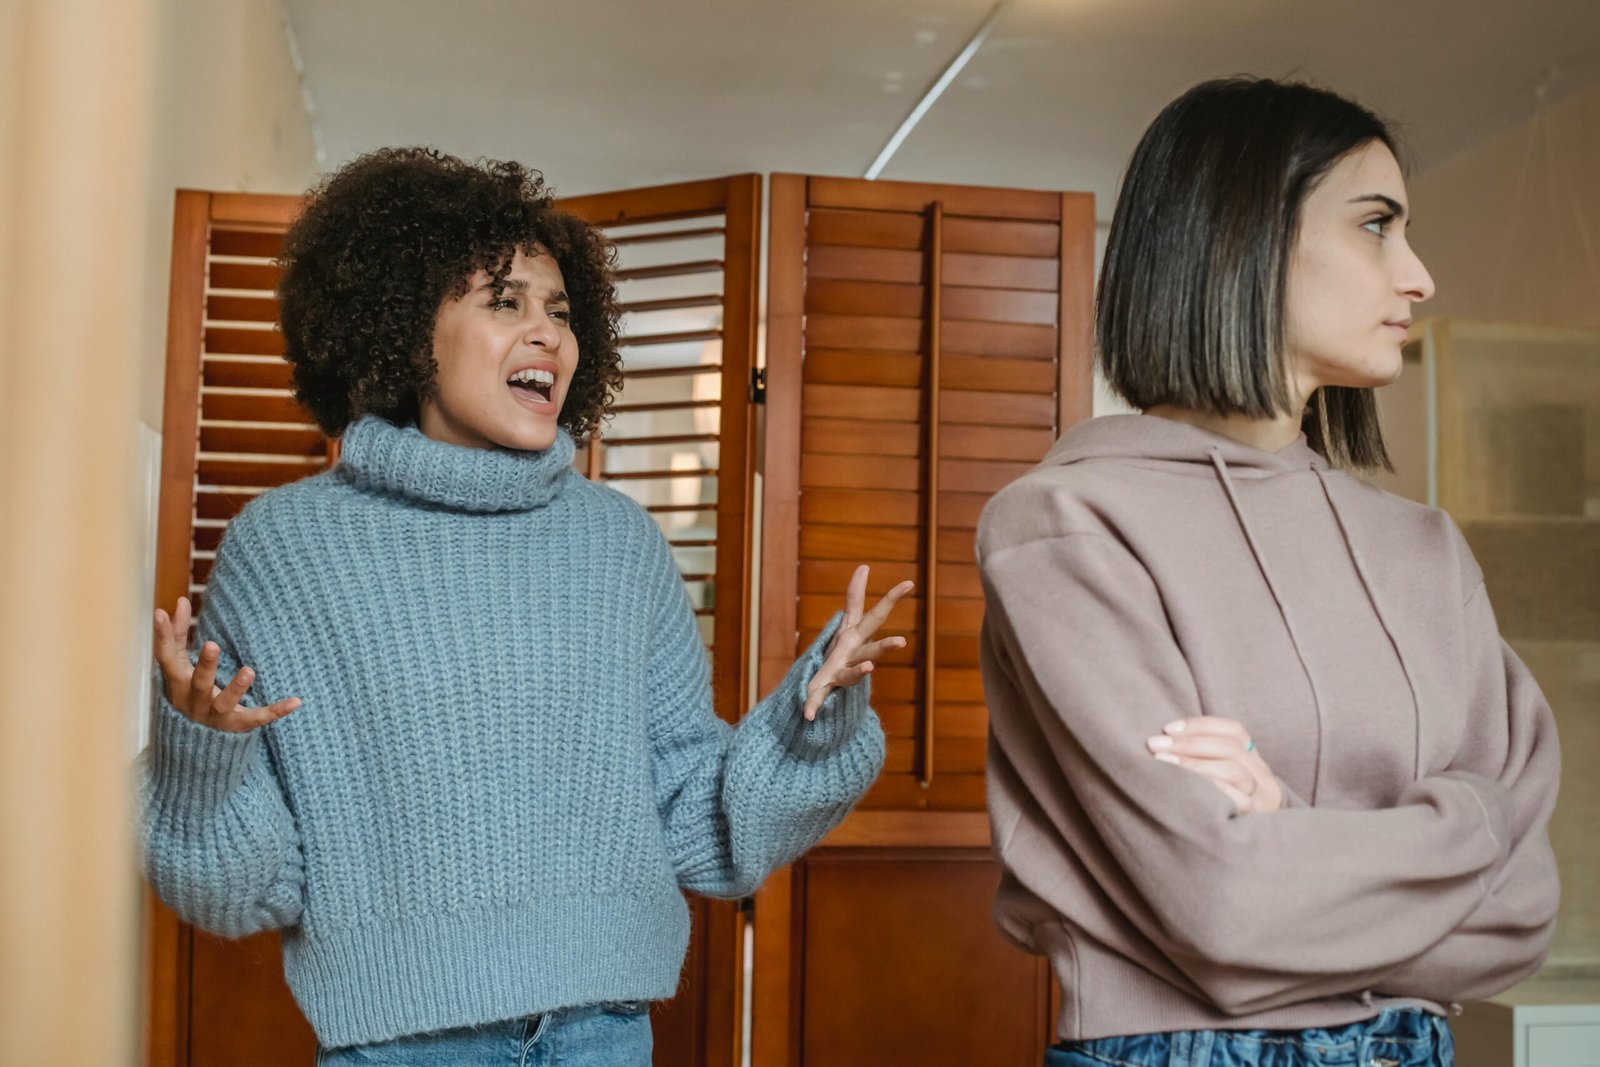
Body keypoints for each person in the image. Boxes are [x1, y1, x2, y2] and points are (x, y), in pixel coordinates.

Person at [138, 147, 911, 1065]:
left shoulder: (620, 546)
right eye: (504, 301)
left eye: (561, 310)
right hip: (401, 1045)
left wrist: (805, 728)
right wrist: (201, 751)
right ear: (402, 327)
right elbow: (241, 886)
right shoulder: (287, 550)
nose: (548, 333)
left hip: (606, 1035)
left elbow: (692, 822)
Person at [978, 77, 1560, 1067]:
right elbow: (1218, 902)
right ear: (1238, 236)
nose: (1418, 276)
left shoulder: (1425, 547)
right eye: (1376, 224)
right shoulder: (1066, 522)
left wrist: (1287, 824)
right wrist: (1468, 825)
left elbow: (1522, 911)